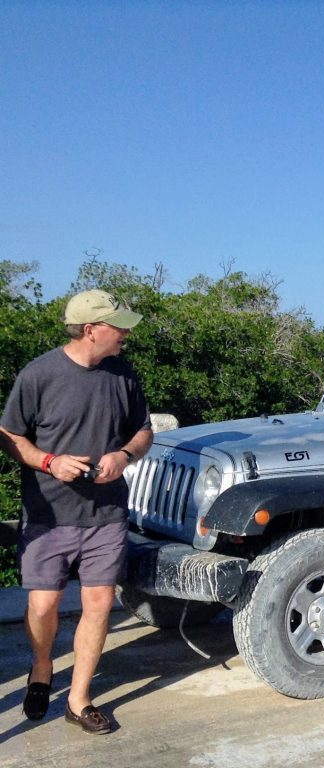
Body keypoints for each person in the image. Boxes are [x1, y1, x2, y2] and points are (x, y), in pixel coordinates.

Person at [0, 289, 153, 735]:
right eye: (117, 326)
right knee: (44, 604)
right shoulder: (39, 374)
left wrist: (123, 455)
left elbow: (142, 431)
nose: (125, 333)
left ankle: (79, 698)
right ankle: (43, 665)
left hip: (106, 513)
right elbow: (9, 435)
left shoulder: (122, 373)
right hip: (49, 512)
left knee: (100, 603)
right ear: (91, 330)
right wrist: (50, 461)